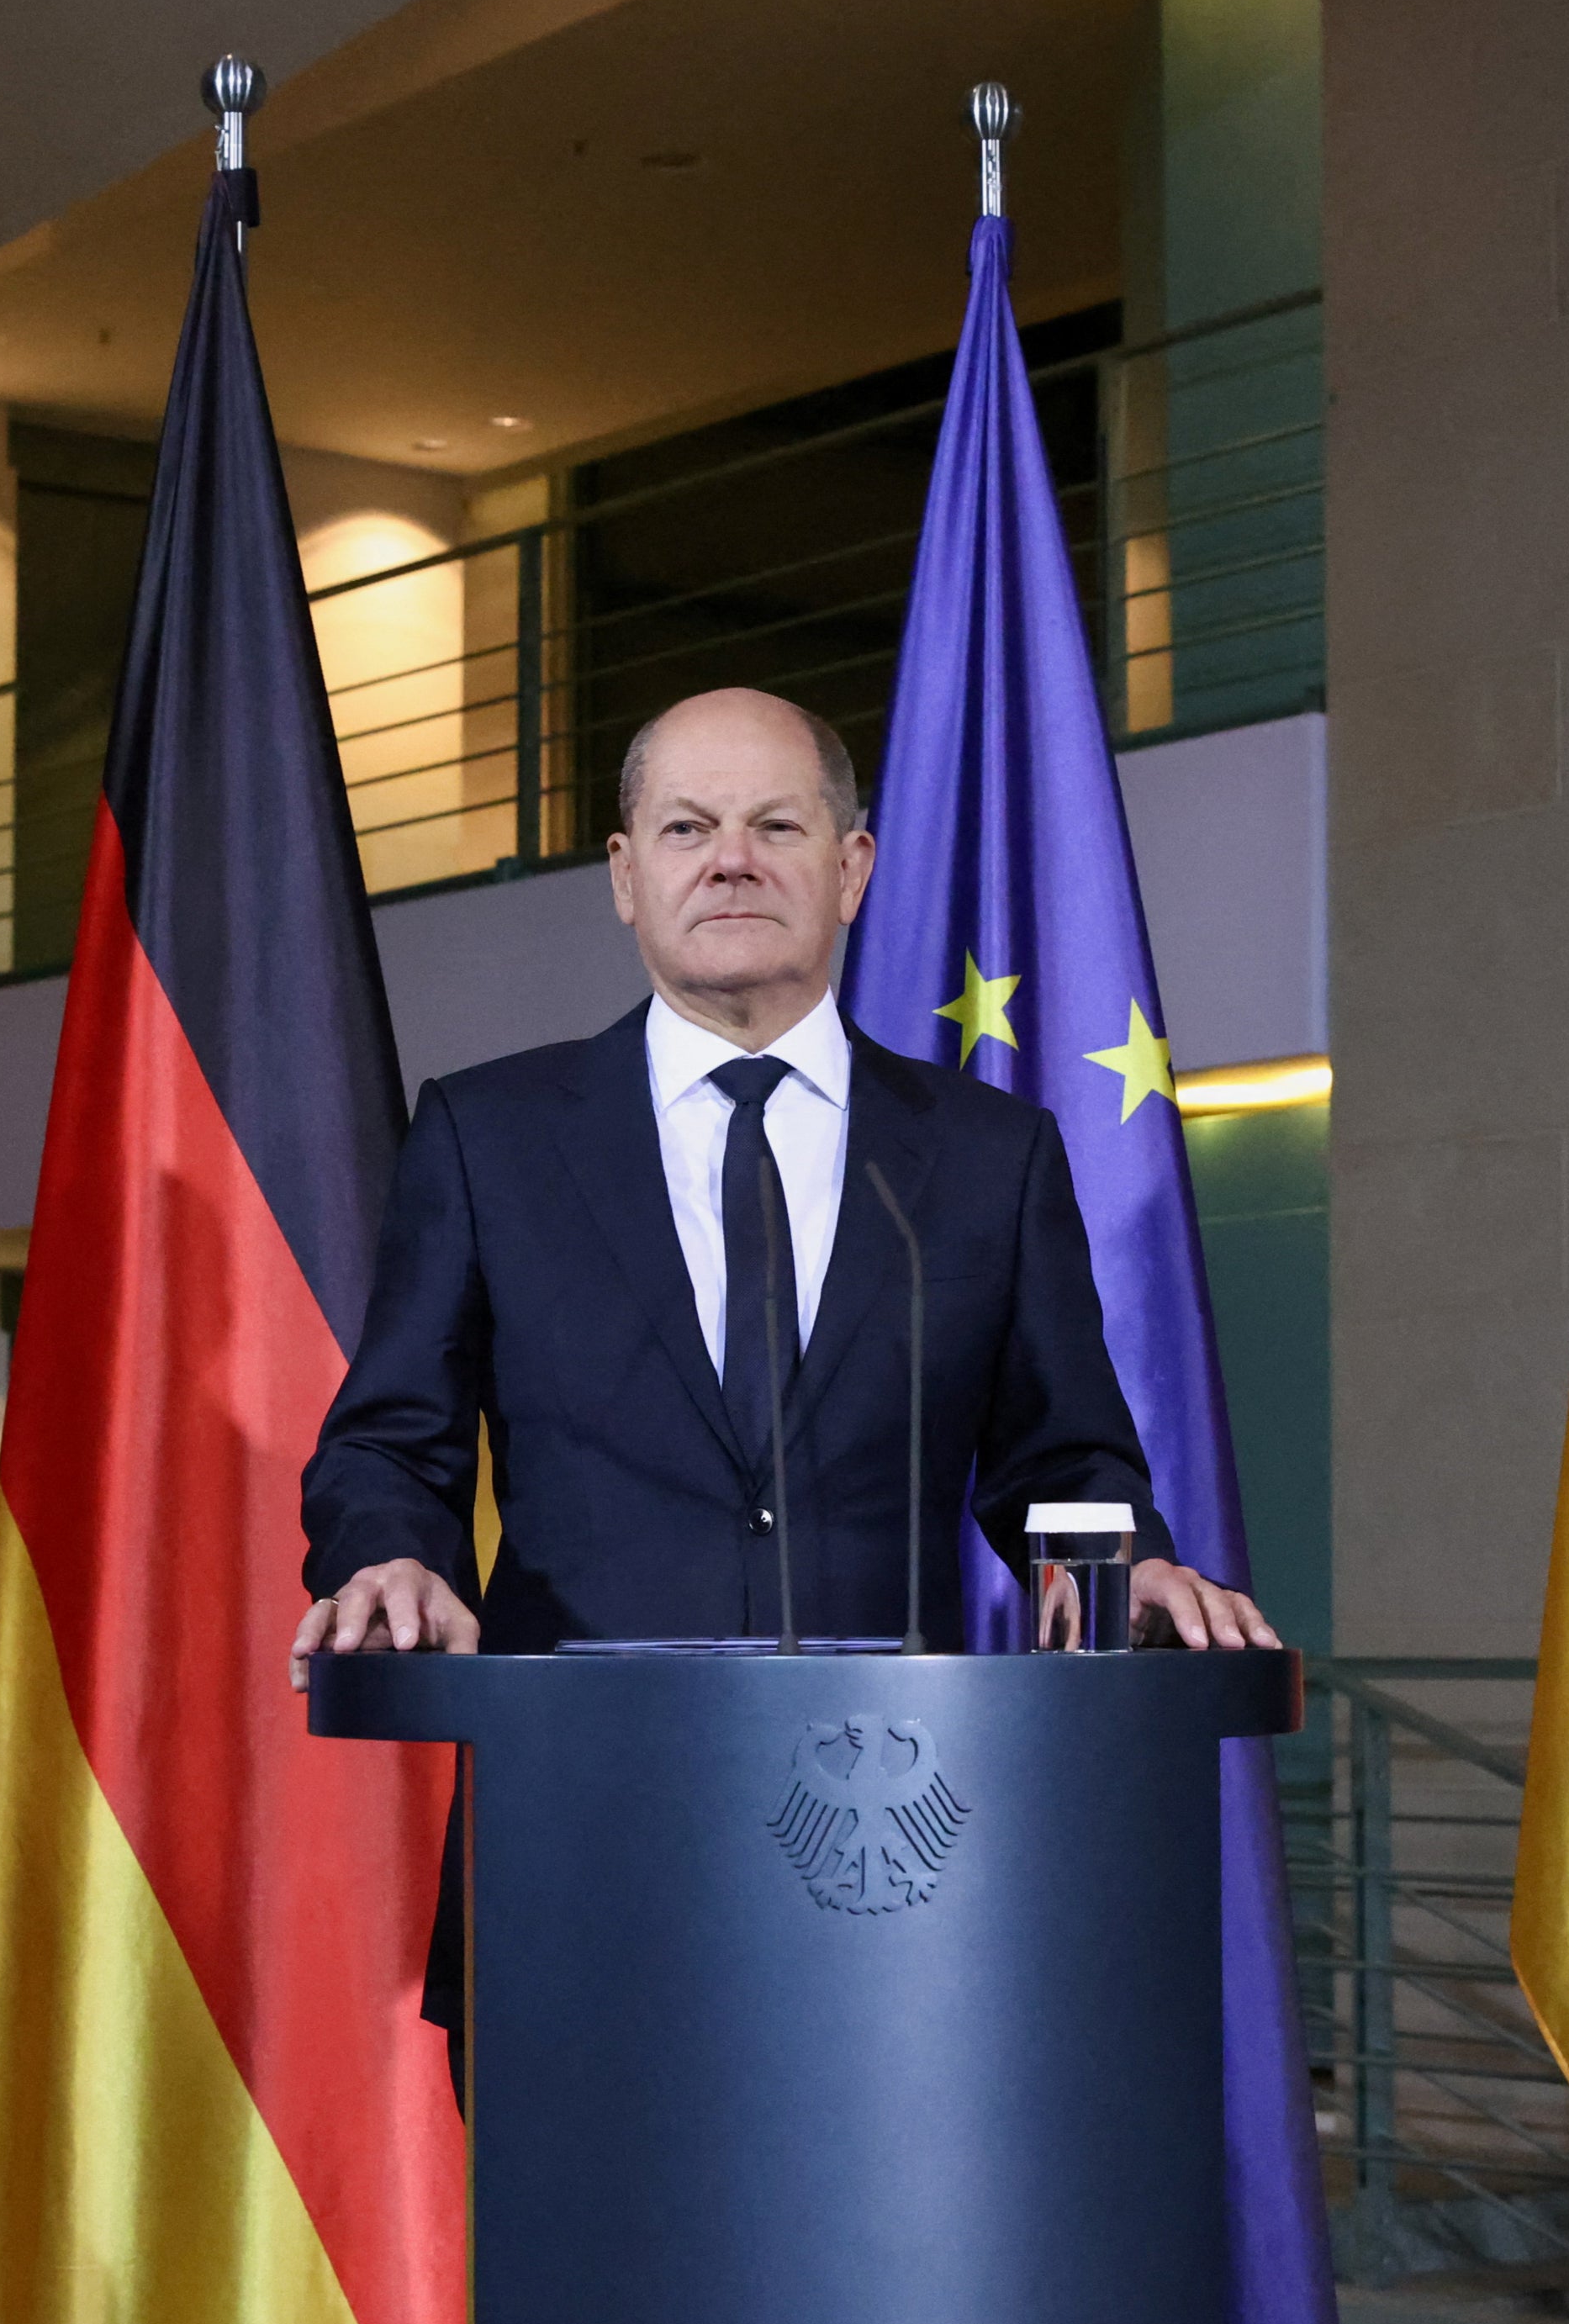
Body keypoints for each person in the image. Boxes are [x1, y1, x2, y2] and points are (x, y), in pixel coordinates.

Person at [295, 687, 1271, 2066]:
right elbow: (390, 1442)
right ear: (626, 878)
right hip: (581, 1847)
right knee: (594, 2282)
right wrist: (391, 1556)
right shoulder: (486, 1136)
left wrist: (1127, 1566)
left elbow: (1065, 1458)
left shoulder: (986, 1155)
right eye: (686, 826)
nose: (730, 858)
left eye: (776, 824)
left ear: (851, 868)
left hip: (899, 1857)